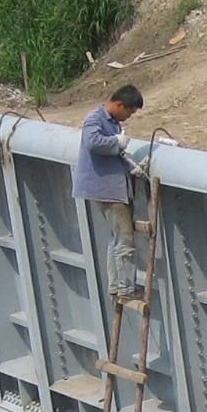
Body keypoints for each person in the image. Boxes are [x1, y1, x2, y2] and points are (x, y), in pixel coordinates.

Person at [75, 84, 146, 303]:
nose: (129, 117)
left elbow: (114, 154)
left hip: (112, 186)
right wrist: (115, 142)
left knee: (116, 239)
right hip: (107, 189)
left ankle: (116, 284)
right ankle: (125, 287)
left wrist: (131, 166)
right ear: (119, 104)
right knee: (124, 239)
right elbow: (93, 142)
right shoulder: (95, 119)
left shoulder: (112, 123)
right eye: (129, 111)